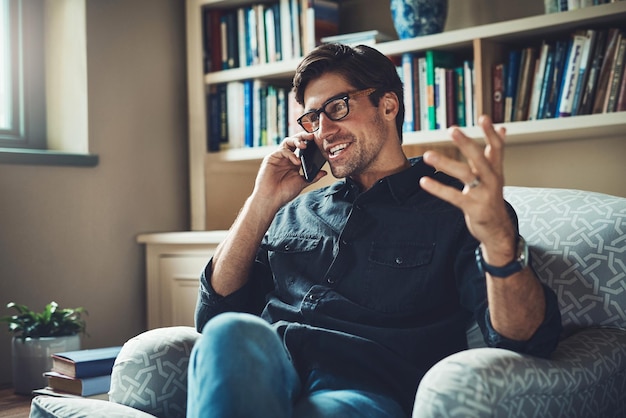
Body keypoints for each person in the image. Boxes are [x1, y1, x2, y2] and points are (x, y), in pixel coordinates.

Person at [187, 43, 562, 418]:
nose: (324, 131)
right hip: (271, 369)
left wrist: (498, 241)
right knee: (228, 332)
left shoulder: (458, 209)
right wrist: (261, 201)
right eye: (312, 118)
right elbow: (214, 313)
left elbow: (526, 339)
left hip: (361, 388)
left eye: (337, 108)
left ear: (388, 105)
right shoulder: (296, 209)